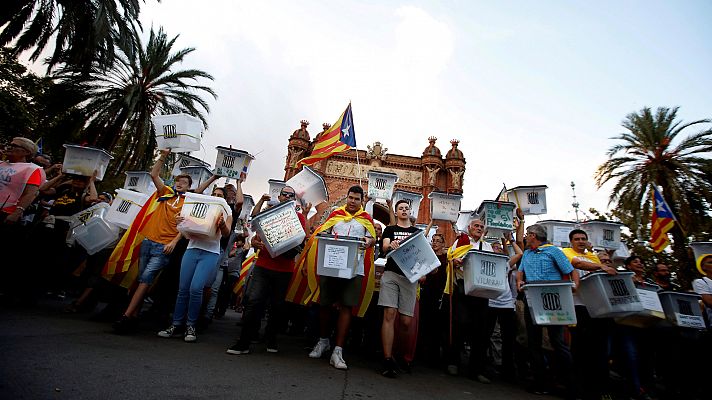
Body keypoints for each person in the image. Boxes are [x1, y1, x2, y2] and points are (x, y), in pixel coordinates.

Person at [112, 149, 188, 332]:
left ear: (189, 186)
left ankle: (126, 316)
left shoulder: (188, 203)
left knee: (146, 278)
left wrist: (173, 242)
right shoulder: (166, 193)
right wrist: (163, 156)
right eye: (178, 181)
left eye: (184, 182)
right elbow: (154, 174)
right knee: (140, 278)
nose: (180, 184)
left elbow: (186, 229)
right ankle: (134, 316)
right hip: (148, 241)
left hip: (163, 247)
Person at [226, 185, 306, 355]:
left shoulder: (299, 217)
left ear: (293, 199)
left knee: (277, 307)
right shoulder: (266, 214)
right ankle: (244, 341)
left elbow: (301, 240)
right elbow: (255, 236)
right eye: (284, 194)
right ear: (280, 196)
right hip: (263, 266)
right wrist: (254, 243)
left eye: (290, 195)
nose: (287, 197)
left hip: (284, 268)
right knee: (254, 302)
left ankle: (271, 338)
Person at [308, 185, 376, 370]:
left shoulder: (365, 219)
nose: (352, 201)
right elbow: (324, 233)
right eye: (350, 198)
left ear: (362, 201)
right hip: (331, 265)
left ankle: (338, 350)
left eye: (356, 199)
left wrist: (368, 241)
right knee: (325, 304)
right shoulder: (335, 215)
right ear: (347, 197)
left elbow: (372, 239)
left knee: (347, 306)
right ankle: (323, 341)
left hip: (354, 269)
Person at [158, 186, 232, 342]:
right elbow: (185, 224)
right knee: (183, 289)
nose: (216, 196)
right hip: (192, 248)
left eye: (219, 195)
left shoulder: (227, 212)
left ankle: (191, 325)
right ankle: (176, 324)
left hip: (210, 253)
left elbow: (226, 234)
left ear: (224, 199)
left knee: (196, 288)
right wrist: (179, 220)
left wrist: (222, 225)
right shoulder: (201, 205)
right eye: (214, 194)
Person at [515, 224, 578, 396]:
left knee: (557, 342)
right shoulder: (527, 253)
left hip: (553, 302)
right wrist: (519, 282)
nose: (526, 237)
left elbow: (571, 271)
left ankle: (569, 385)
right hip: (532, 300)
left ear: (534, 235)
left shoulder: (554, 251)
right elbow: (520, 272)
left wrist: (574, 287)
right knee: (533, 343)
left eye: (528, 234)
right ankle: (540, 382)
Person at [562, 229, 616, 400]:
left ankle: (599, 389)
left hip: (597, 308)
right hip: (577, 306)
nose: (580, 241)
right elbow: (577, 264)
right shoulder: (565, 253)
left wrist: (601, 264)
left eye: (583, 238)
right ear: (571, 241)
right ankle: (577, 389)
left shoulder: (593, 256)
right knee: (579, 349)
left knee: (599, 351)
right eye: (577, 239)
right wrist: (600, 266)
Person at [445, 218, 494, 383]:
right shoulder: (461, 242)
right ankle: (453, 362)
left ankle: (477, 369)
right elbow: (450, 258)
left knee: (481, 331)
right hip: (463, 288)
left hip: (481, 292)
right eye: (476, 226)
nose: (479, 229)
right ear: (469, 228)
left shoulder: (487, 247)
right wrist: (455, 261)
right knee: (460, 325)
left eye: (481, 227)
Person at [378, 200, 422, 378]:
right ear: (396, 213)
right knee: (389, 314)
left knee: (405, 322)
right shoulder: (390, 230)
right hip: (391, 274)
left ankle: (400, 355)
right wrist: (391, 245)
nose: (404, 210)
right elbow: (384, 246)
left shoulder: (416, 233)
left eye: (406, 208)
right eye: (400, 209)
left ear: (410, 212)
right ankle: (387, 359)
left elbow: (421, 254)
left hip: (409, 278)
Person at [486, 229, 523, 382]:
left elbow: (520, 254)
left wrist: (509, 239)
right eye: (494, 248)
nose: (498, 250)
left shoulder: (506, 264)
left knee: (508, 337)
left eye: (499, 248)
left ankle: (508, 369)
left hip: (506, 304)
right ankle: (492, 364)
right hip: (490, 302)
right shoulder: (485, 263)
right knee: (489, 334)